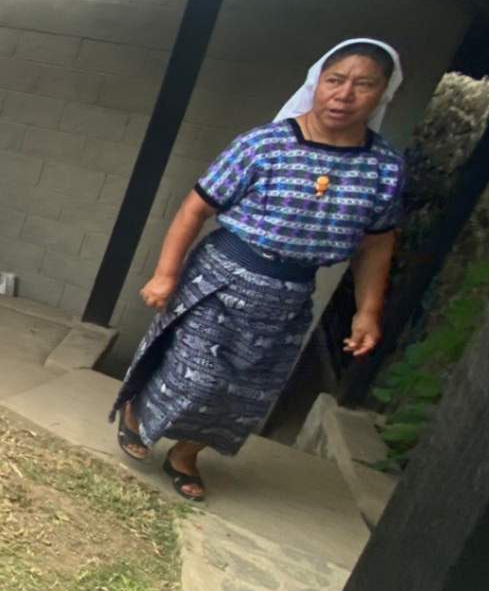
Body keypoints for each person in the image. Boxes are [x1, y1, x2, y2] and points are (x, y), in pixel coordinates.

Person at [112, 38, 406, 500]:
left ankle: (186, 454)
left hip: (289, 295)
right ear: (316, 84)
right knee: (197, 374)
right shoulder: (263, 144)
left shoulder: (384, 167)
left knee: (245, 391)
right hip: (222, 277)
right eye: (334, 80)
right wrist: (166, 273)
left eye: (363, 85)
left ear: (383, 93)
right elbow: (195, 208)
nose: (344, 95)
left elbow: (376, 244)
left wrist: (367, 312)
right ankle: (138, 415)